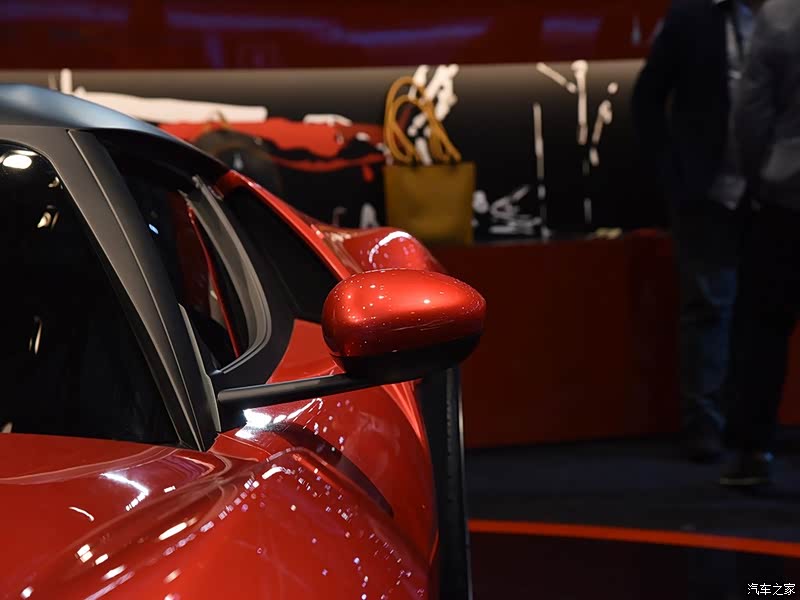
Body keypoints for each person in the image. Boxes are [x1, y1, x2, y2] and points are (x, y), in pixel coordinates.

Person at [632, 0, 765, 461]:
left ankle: (751, 425)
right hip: (705, 188)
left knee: (763, 312)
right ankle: (705, 423)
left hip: (772, 189)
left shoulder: (784, 17)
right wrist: (672, 173)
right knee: (708, 307)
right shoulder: (692, 17)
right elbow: (647, 98)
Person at [721, 0, 800, 486]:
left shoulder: (780, 14)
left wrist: (758, 177)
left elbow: (751, 111)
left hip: (785, 195)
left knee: (763, 330)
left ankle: (753, 452)